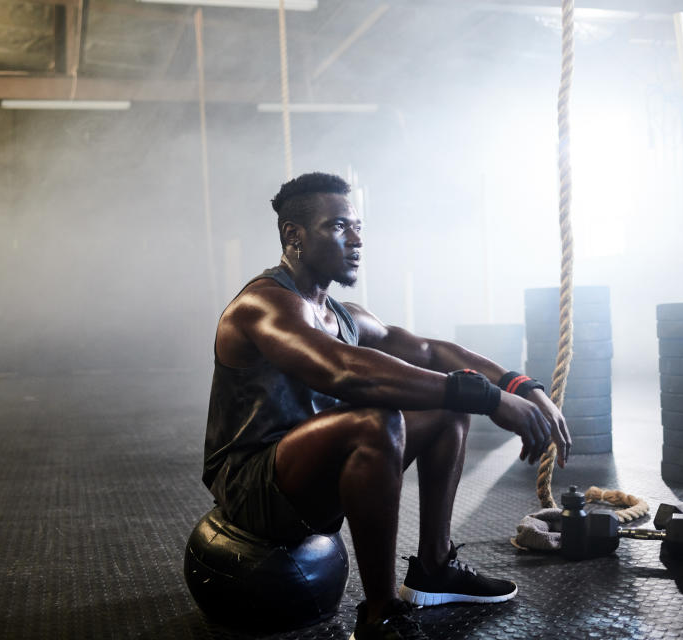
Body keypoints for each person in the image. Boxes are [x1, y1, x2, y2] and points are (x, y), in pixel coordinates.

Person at [202, 172, 572, 640]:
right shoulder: (263, 306)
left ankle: (434, 567)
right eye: (338, 226)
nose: (356, 240)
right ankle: (380, 614)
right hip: (252, 487)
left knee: (443, 402)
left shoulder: (344, 314)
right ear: (292, 235)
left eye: (357, 226)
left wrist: (519, 386)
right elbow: (342, 370)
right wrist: (485, 397)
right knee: (379, 419)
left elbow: (431, 352)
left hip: (308, 473)